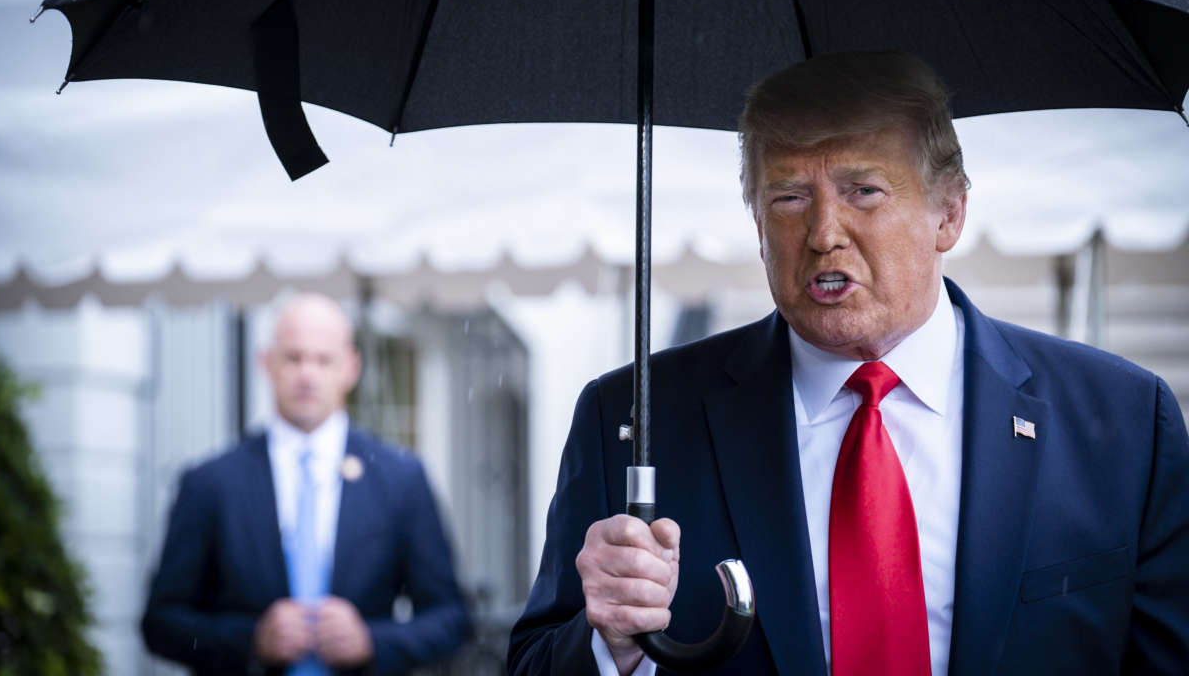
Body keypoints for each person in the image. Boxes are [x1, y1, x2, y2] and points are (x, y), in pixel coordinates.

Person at [507, 51, 1189, 675]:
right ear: (756, 220)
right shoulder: (635, 418)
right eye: (789, 197)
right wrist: (612, 645)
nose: (824, 233)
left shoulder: (1123, 422)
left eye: (864, 190)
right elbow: (536, 662)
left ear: (948, 214)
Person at [142, 293, 470, 674]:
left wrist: (372, 642)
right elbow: (160, 623)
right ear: (266, 363)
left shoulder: (401, 478)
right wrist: (251, 640)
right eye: (293, 357)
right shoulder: (210, 482)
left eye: (323, 359)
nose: (307, 374)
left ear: (351, 367)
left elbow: (452, 619)